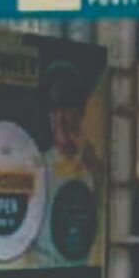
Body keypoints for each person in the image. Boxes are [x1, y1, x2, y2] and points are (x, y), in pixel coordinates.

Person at [36, 60, 102, 264]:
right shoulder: (38, 165)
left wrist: (96, 168)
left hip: (83, 275)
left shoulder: (93, 165)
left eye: (66, 107)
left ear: (80, 113)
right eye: (54, 109)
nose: (60, 118)